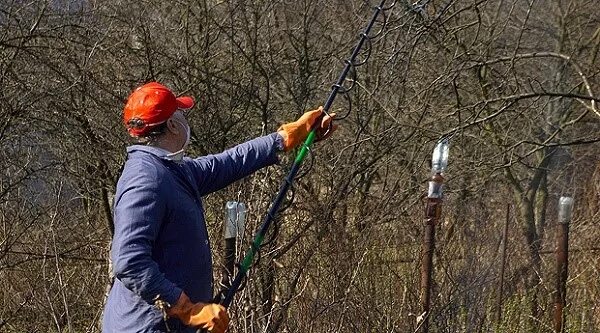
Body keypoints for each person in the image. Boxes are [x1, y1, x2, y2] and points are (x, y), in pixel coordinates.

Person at [102, 82, 335, 333]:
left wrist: (285, 137)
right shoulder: (146, 180)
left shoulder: (172, 170)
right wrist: (186, 308)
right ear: (171, 124)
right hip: (147, 327)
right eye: (180, 113)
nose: (184, 118)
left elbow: (228, 162)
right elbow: (128, 260)